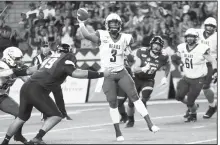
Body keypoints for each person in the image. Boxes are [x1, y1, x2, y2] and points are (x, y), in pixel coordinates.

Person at [1, 44, 112, 145]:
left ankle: (7, 141)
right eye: (17, 59)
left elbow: (29, 71)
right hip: (37, 89)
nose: (20, 61)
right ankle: (37, 138)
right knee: (56, 115)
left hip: (23, 89)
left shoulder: (49, 59)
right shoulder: (65, 59)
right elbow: (77, 73)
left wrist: (15, 71)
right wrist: (101, 74)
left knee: (20, 116)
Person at [78, 12, 160, 141]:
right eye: (111, 23)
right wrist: (81, 22)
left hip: (121, 72)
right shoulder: (102, 35)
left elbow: (131, 57)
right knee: (112, 102)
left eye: (116, 23)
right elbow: (87, 35)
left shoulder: (126, 38)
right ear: (107, 25)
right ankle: (118, 132)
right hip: (107, 73)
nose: (114, 26)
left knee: (135, 98)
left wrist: (134, 60)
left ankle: (150, 124)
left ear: (120, 25)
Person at [125, 36, 170, 128]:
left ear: (161, 47)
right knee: (130, 103)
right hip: (136, 79)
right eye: (154, 44)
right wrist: (142, 68)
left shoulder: (163, 56)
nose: (156, 47)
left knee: (144, 97)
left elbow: (168, 64)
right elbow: (134, 69)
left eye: (158, 45)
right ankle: (130, 120)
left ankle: (144, 111)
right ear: (151, 44)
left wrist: (165, 76)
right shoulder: (142, 51)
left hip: (148, 80)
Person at [173, 28, 217, 122]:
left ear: (196, 38)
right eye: (188, 36)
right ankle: (194, 107)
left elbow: (212, 60)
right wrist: (179, 62)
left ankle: (193, 114)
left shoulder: (202, 48)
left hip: (198, 79)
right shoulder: (182, 47)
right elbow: (175, 57)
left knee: (190, 101)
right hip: (186, 77)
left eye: (192, 37)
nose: (189, 39)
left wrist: (215, 71)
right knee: (178, 97)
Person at [32, 42, 72, 121]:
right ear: (40, 48)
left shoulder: (55, 54)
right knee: (43, 97)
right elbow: (34, 69)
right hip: (43, 80)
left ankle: (63, 114)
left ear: (49, 48)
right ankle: (44, 115)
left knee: (59, 97)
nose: (45, 48)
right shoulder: (37, 58)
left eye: (47, 46)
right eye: (43, 46)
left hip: (55, 79)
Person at [0, 47, 29, 144]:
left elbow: (28, 81)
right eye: (17, 59)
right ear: (9, 58)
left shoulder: (16, 68)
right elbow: (2, 73)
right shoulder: (2, 64)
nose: (20, 61)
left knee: (21, 113)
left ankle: (18, 135)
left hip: (2, 97)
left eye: (20, 58)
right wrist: (15, 71)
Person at [195, 17, 217, 119]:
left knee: (205, 86)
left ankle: (212, 106)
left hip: (211, 63)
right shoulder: (198, 33)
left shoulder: (217, 37)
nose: (209, 28)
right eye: (208, 26)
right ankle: (192, 108)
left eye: (212, 26)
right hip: (198, 63)